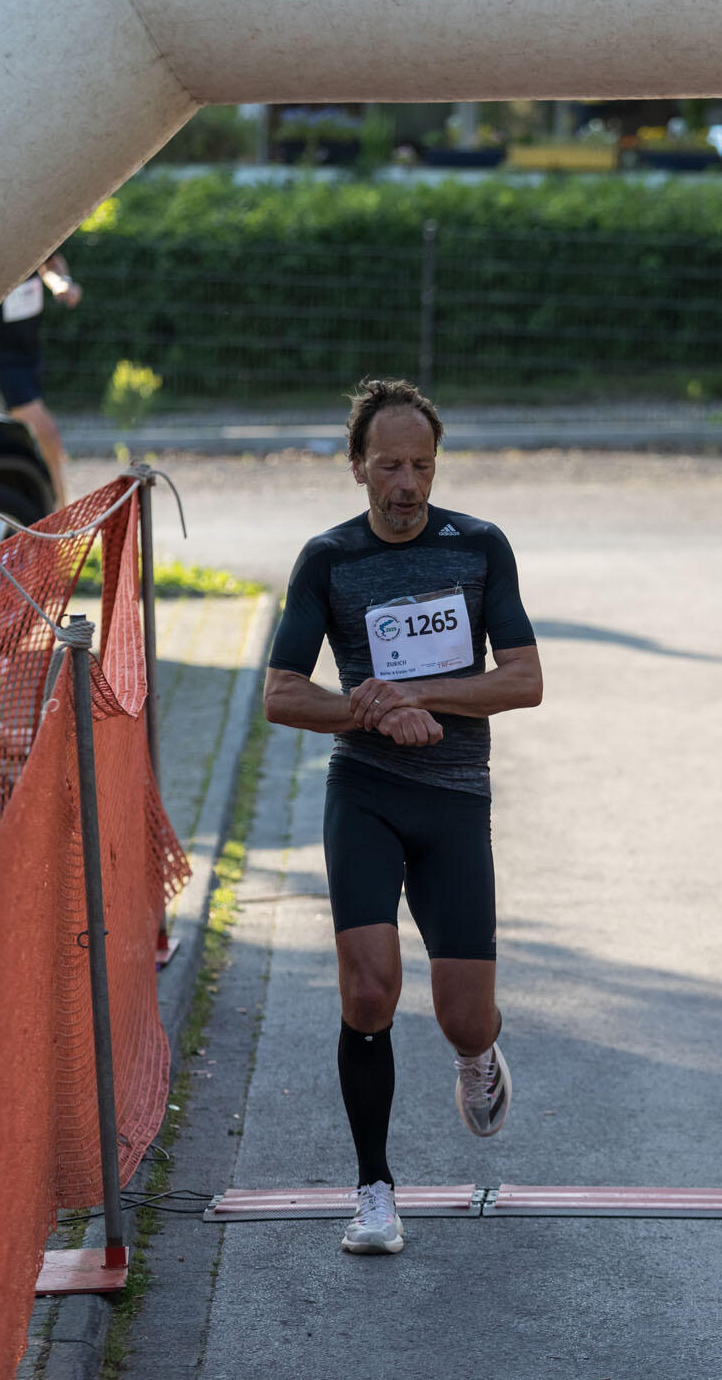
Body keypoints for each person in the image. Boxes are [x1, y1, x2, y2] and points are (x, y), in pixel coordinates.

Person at [263, 377, 542, 1256]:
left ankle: (477, 1056)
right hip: (367, 794)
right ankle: (375, 1190)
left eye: (421, 466)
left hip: (454, 799)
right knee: (368, 991)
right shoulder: (328, 560)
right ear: (356, 467)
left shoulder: (480, 547)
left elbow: (524, 679)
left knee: (463, 1014)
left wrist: (415, 694)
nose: (407, 485)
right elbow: (280, 694)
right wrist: (370, 712)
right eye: (388, 466)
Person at [0, 252, 81, 506]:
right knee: (47, 433)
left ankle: (54, 512)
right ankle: (60, 516)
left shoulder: (27, 230)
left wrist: (62, 283)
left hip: (28, 354)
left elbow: (50, 261)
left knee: (39, 442)